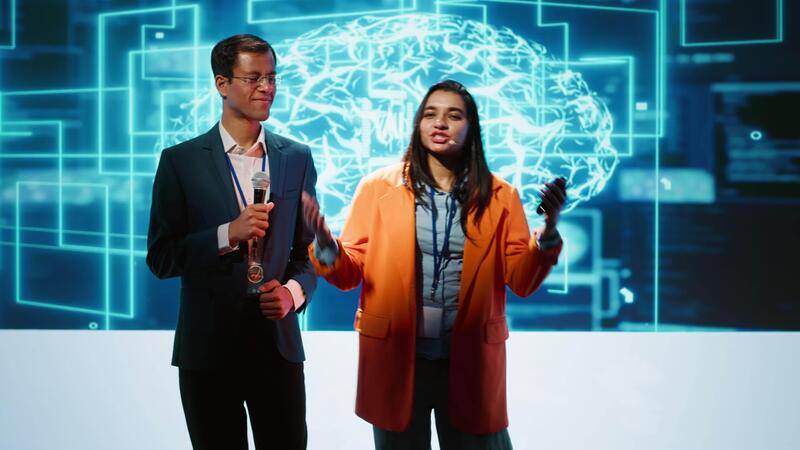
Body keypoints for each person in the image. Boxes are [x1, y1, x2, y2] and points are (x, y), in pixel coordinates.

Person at [302, 80, 566, 449]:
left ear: (471, 127)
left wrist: (548, 231)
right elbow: (348, 274)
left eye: (453, 115)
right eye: (430, 114)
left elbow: (522, 280)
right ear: (418, 124)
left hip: (469, 360)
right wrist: (326, 243)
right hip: (397, 358)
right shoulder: (377, 188)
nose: (440, 123)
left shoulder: (501, 197)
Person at [147, 34, 317, 450]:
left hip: (277, 346)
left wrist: (292, 294)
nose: (266, 87)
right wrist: (227, 234)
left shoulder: (296, 157)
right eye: (253, 78)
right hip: (208, 350)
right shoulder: (180, 161)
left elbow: (310, 255)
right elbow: (162, 258)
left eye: (271, 77)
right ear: (222, 84)